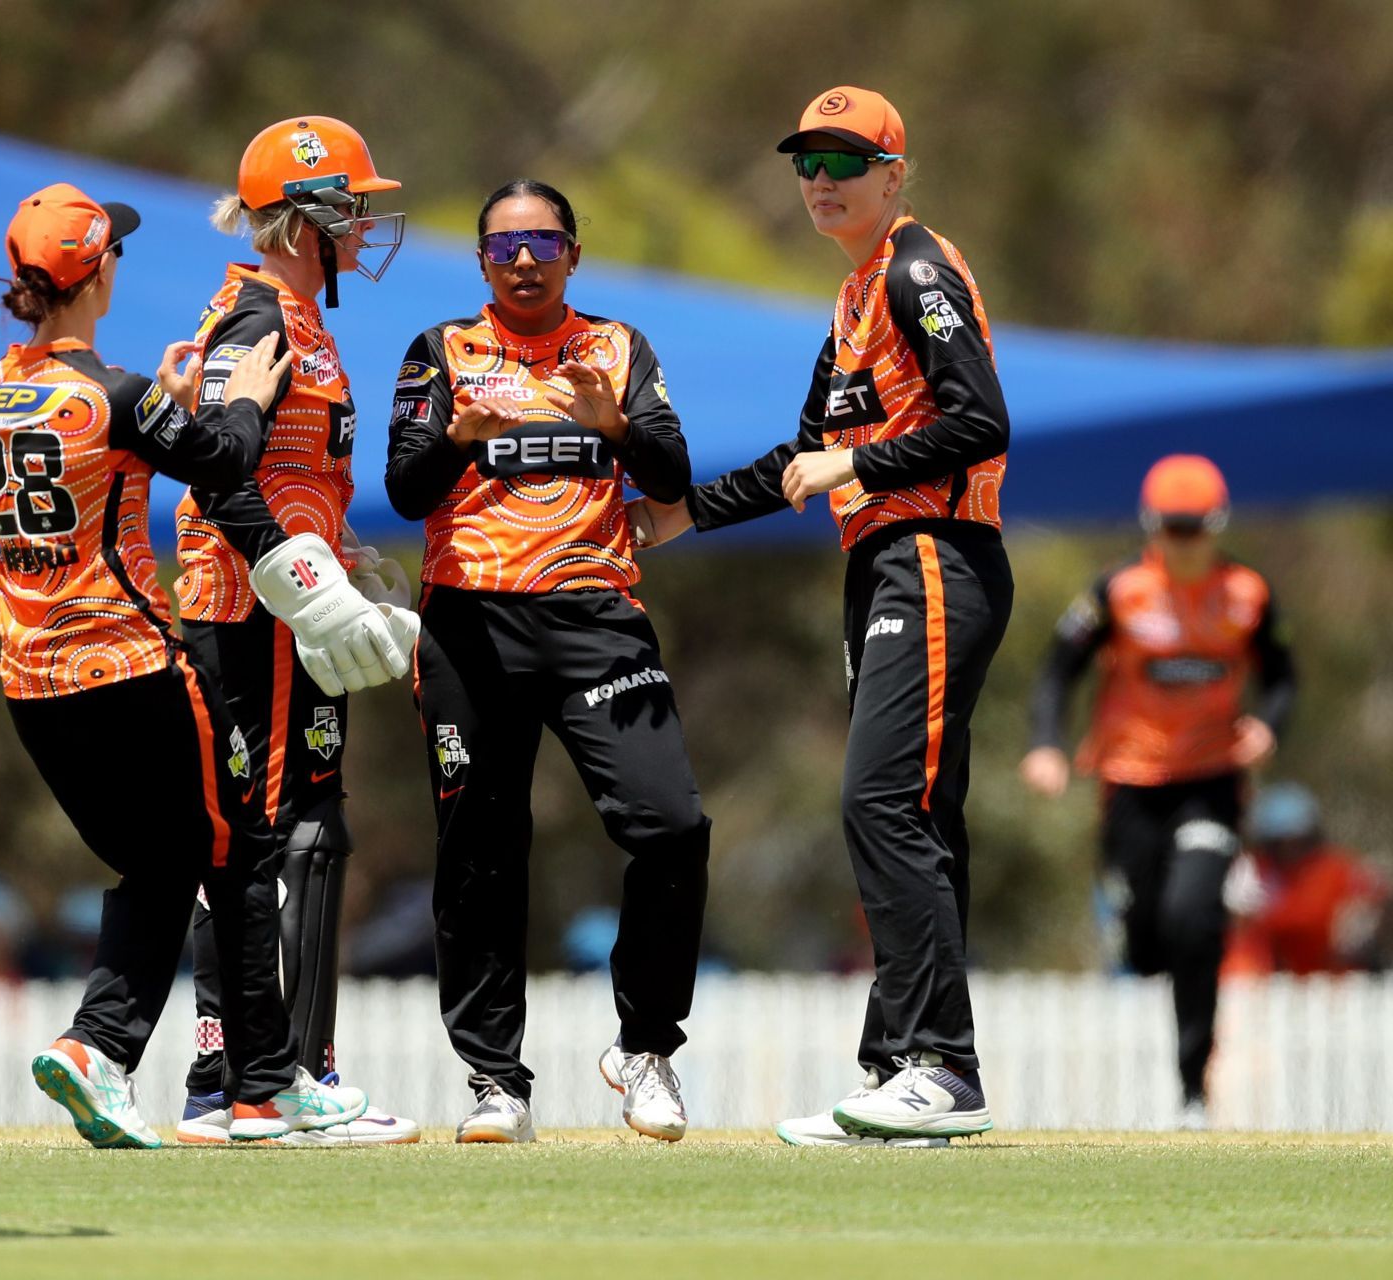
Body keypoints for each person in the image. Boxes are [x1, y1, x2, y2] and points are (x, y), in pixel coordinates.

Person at [630, 87, 1012, 1147]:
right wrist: (679, 517)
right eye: (807, 162)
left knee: (880, 801)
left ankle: (943, 1066)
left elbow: (980, 420)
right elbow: (803, 458)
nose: (821, 180)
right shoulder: (853, 303)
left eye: (845, 161)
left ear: (897, 172)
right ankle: (899, 1068)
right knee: (914, 814)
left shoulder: (914, 269)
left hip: (934, 553)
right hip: (886, 561)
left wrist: (859, 461)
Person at [0, 183, 369, 1151]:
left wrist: (176, 408)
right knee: (235, 846)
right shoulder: (113, 391)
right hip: (132, 664)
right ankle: (249, 1082)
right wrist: (240, 401)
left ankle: (122, 1054)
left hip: (31, 680)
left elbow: (126, 458)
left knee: (167, 860)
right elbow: (226, 461)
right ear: (97, 270)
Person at [387, 179, 709, 1144]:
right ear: (481, 261)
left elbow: (671, 476)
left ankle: (645, 1048)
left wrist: (615, 425)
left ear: (573, 252)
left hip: (595, 617)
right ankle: (496, 1082)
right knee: (480, 852)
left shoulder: (618, 348)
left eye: (542, 244)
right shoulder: (442, 350)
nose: (523, 261)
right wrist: (455, 439)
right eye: (502, 248)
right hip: (471, 624)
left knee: (671, 826)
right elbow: (405, 492)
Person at [172, 118, 421, 1147]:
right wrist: (301, 578)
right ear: (303, 216)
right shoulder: (257, 321)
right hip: (253, 611)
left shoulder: (297, 318)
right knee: (288, 836)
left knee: (265, 834)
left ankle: (226, 1071)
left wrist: (338, 555)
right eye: (350, 205)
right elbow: (218, 472)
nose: (365, 224)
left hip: (278, 600)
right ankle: (278, 1081)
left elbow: (286, 475)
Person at [1021, 453, 1294, 1127]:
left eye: (1195, 530)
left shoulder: (1248, 596)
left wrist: (1268, 725)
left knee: (1194, 918)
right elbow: (1057, 672)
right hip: (1130, 783)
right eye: (1171, 530)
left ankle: (1192, 1089)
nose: (1183, 544)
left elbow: (1284, 675)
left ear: (1218, 526)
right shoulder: (1116, 592)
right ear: (1150, 528)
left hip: (1210, 781)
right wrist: (1047, 746)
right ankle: (1134, 934)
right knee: (1146, 941)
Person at [1224, 784, 1387, 976]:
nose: (1289, 849)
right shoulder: (1252, 872)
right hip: (1268, 981)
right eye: (1279, 842)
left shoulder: (1338, 870)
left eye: (1297, 840)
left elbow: (1378, 901)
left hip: (1336, 982)